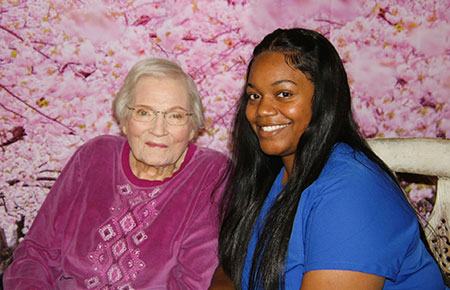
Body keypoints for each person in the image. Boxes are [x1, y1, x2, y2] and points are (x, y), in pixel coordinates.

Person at [210, 28, 448, 289]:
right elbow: (231, 269)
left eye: (284, 94)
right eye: (254, 96)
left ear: (324, 99)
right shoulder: (274, 173)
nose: (262, 110)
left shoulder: (352, 191)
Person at [3, 58, 228, 289]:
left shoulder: (211, 174)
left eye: (175, 115)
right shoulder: (94, 155)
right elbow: (36, 252)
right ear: (124, 121)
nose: (158, 129)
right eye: (144, 112)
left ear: (193, 129)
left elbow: (191, 283)